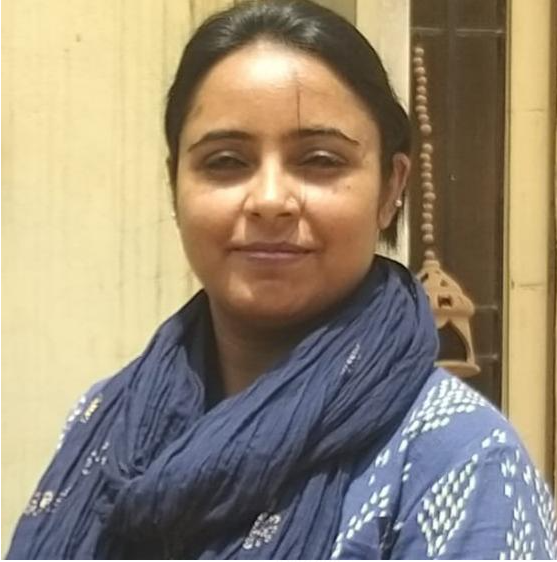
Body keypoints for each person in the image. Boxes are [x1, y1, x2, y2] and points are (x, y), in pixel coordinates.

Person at [7, 0, 556, 559]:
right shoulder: (108, 421)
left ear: (391, 187)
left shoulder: (458, 462)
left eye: (320, 160)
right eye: (226, 161)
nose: (270, 200)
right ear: (175, 183)